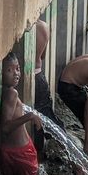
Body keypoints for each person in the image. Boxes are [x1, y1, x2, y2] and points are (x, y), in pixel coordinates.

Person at [0, 52, 43, 175]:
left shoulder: (6, 92)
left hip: (6, 153)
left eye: (17, 69)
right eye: (9, 70)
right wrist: (29, 116)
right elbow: (6, 126)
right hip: (23, 153)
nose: (15, 73)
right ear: (1, 73)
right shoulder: (12, 93)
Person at [33, 20, 63, 153]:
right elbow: (43, 55)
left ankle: (76, 163)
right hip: (38, 77)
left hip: (25, 79)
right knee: (45, 117)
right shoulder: (44, 26)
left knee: (40, 121)